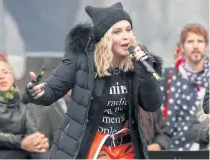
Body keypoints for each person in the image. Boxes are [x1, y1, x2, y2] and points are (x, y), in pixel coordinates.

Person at [24, 2, 163, 159]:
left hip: (125, 145)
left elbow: (153, 104)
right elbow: (51, 90)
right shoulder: (82, 61)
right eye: (117, 32)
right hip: (92, 143)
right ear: (104, 38)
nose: (126, 36)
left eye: (128, 30)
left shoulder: (137, 63)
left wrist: (144, 73)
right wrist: (35, 91)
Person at [0, 53, 49, 159]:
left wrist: (38, 141)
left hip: (17, 151)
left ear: (12, 77)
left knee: (41, 152)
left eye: (5, 72)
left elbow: (32, 129)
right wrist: (22, 142)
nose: (1, 77)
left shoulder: (20, 102)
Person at [161, 24, 209, 151]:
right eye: (190, 41)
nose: (195, 46)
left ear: (206, 46)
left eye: (200, 41)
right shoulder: (168, 77)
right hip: (174, 149)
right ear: (182, 47)